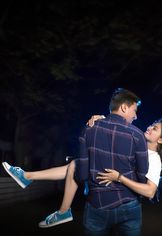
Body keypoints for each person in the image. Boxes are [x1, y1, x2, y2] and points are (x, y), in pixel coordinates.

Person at [3, 88, 150, 235]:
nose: (136, 116)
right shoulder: (137, 135)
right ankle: (30, 179)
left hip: (97, 204)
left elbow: (82, 175)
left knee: (75, 165)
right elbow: (142, 174)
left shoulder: (89, 128)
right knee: (74, 164)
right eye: (134, 110)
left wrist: (92, 177)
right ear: (124, 107)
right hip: (128, 204)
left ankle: (31, 180)